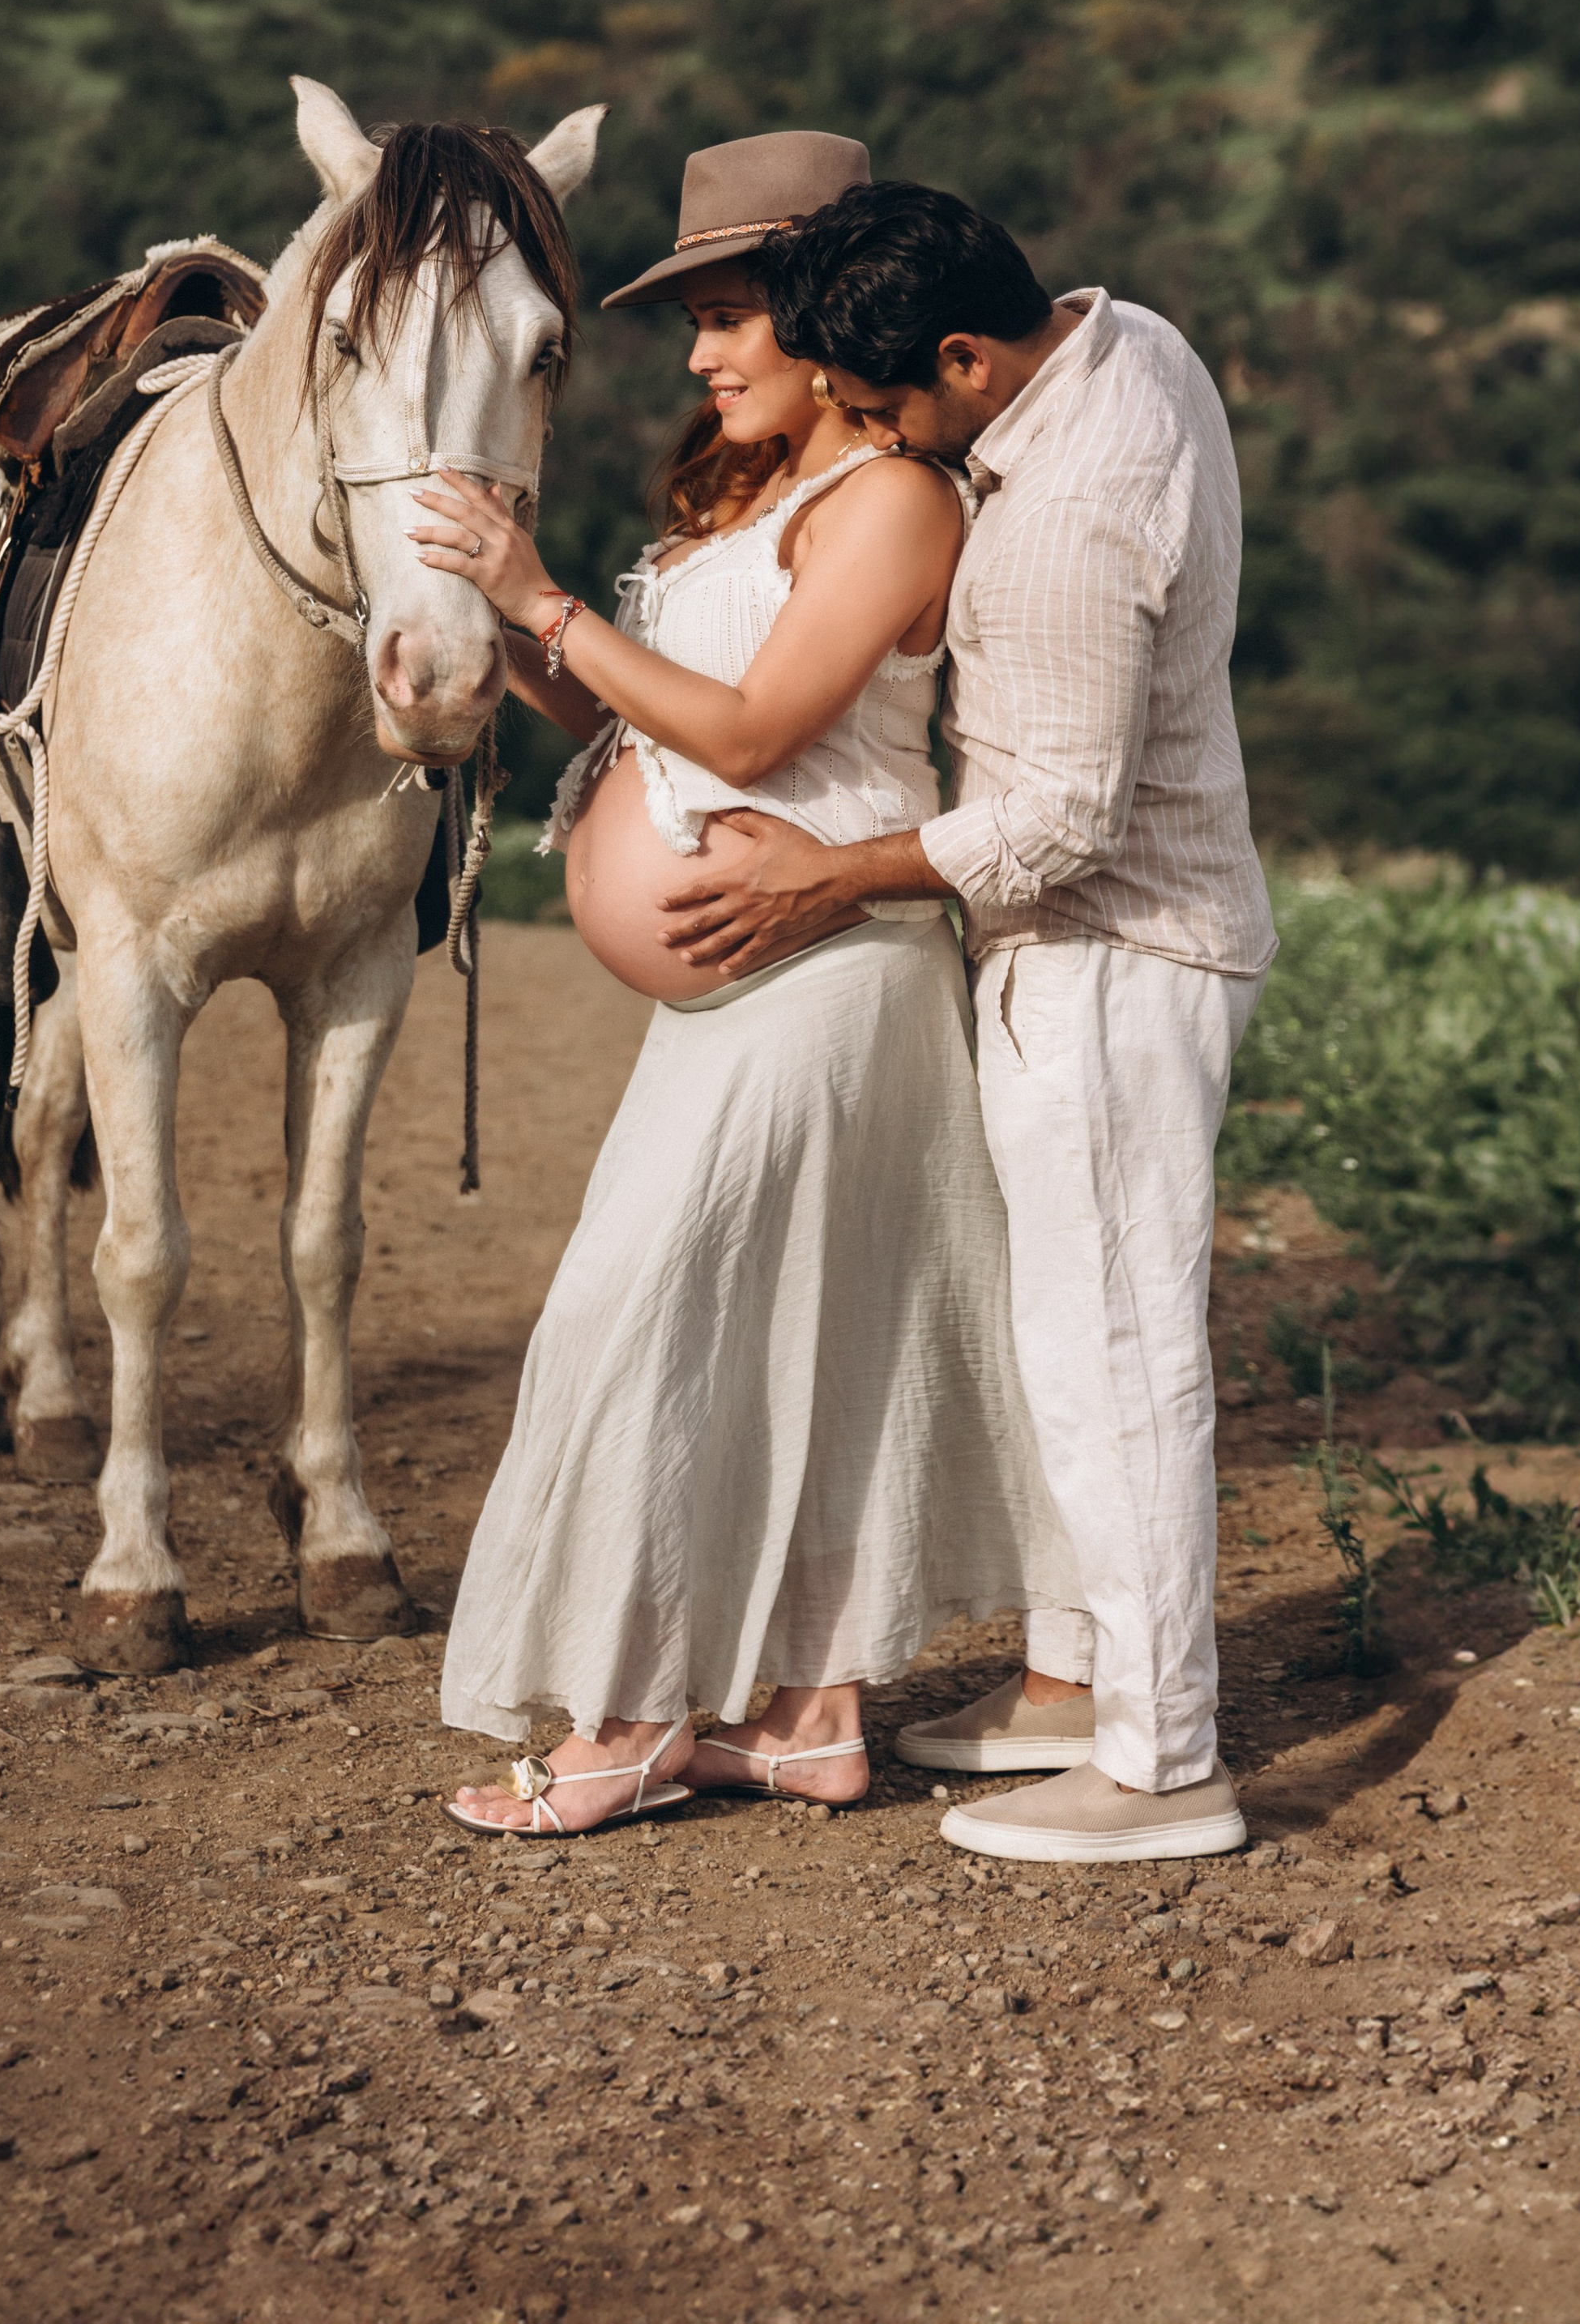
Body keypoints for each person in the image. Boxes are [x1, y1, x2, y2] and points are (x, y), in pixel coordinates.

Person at [408, 133, 1085, 1836]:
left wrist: (545, 597)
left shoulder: (894, 503)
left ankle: (633, 1722)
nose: (701, 357)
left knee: (643, 1316)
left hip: (830, 974)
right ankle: (805, 1716)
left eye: (727, 317)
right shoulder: (753, 494)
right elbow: (651, 724)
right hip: (736, 999)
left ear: (816, 313)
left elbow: (760, 734)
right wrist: (500, 633)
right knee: (786, 1337)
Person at [655, 181, 1278, 1866]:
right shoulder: (1128, 338)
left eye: (882, 411)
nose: (874, 443)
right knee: (1071, 1333)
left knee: (1114, 1357)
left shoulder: (1067, 514)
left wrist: (826, 876)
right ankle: (1082, 1682)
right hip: (1120, 945)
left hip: (1105, 957)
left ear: (964, 358)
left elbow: (1058, 826)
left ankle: (1165, 1763)